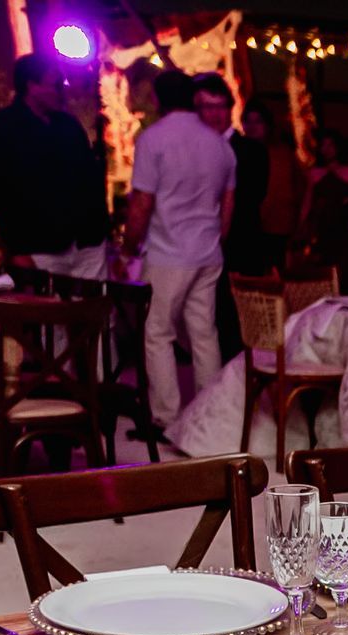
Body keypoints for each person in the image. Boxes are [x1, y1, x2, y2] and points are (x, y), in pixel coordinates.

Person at [126, 69, 235, 428]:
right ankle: (209, 416)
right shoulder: (220, 144)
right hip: (208, 251)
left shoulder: (153, 139)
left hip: (168, 253)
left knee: (157, 332)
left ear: (157, 99)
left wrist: (129, 246)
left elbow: (142, 201)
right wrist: (214, 239)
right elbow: (226, 206)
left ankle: (165, 417)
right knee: (204, 333)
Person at [0, 53, 108, 279]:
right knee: (50, 312)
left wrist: (99, 227)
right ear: (32, 86)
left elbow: (89, 177)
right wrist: (17, 248)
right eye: (56, 84)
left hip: (86, 242)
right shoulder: (4, 128)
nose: (62, 91)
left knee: (93, 310)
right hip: (40, 244)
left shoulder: (67, 124)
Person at [297, 128, 348, 274]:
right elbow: (307, 202)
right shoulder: (314, 174)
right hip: (323, 229)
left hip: (346, 229)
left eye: (331, 145)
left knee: (345, 269)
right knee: (324, 270)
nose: (327, 149)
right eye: (323, 145)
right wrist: (301, 226)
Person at [225, 100, 273, 274]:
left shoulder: (263, 152)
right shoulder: (233, 146)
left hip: (254, 228)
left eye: (257, 121)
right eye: (248, 121)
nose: (252, 126)